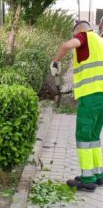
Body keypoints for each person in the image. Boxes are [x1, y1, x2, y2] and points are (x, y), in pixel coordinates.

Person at [50, 20, 103, 192]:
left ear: (80, 30)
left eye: (75, 34)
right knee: (94, 136)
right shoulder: (100, 41)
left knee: (83, 135)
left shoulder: (85, 36)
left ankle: (87, 179)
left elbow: (67, 45)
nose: (76, 38)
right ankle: (98, 174)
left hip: (91, 96)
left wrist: (56, 61)